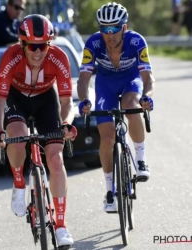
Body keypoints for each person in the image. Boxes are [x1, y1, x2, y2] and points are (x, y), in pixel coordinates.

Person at [0, 14, 76, 248]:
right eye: (32, 46)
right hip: (16, 99)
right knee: (16, 140)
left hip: (47, 100)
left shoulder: (59, 57)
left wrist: (66, 124)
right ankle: (19, 182)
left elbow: (68, 102)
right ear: (22, 44)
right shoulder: (10, 56)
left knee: (56, 159)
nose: (38, 52)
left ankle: (60, 225)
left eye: (43, 45)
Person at [77, 2, 155, 213]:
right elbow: (83, 80)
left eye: (114, 28)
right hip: (105, 85)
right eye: (104, 28)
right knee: (108, 137)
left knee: (131, 105)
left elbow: (148, 78)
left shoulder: (136, 41)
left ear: (124, 28)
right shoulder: (93, 43)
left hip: (131, 80)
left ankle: (140, 160)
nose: (109, 34)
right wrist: (84, 100)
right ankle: (110, 191)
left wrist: (146, 97)